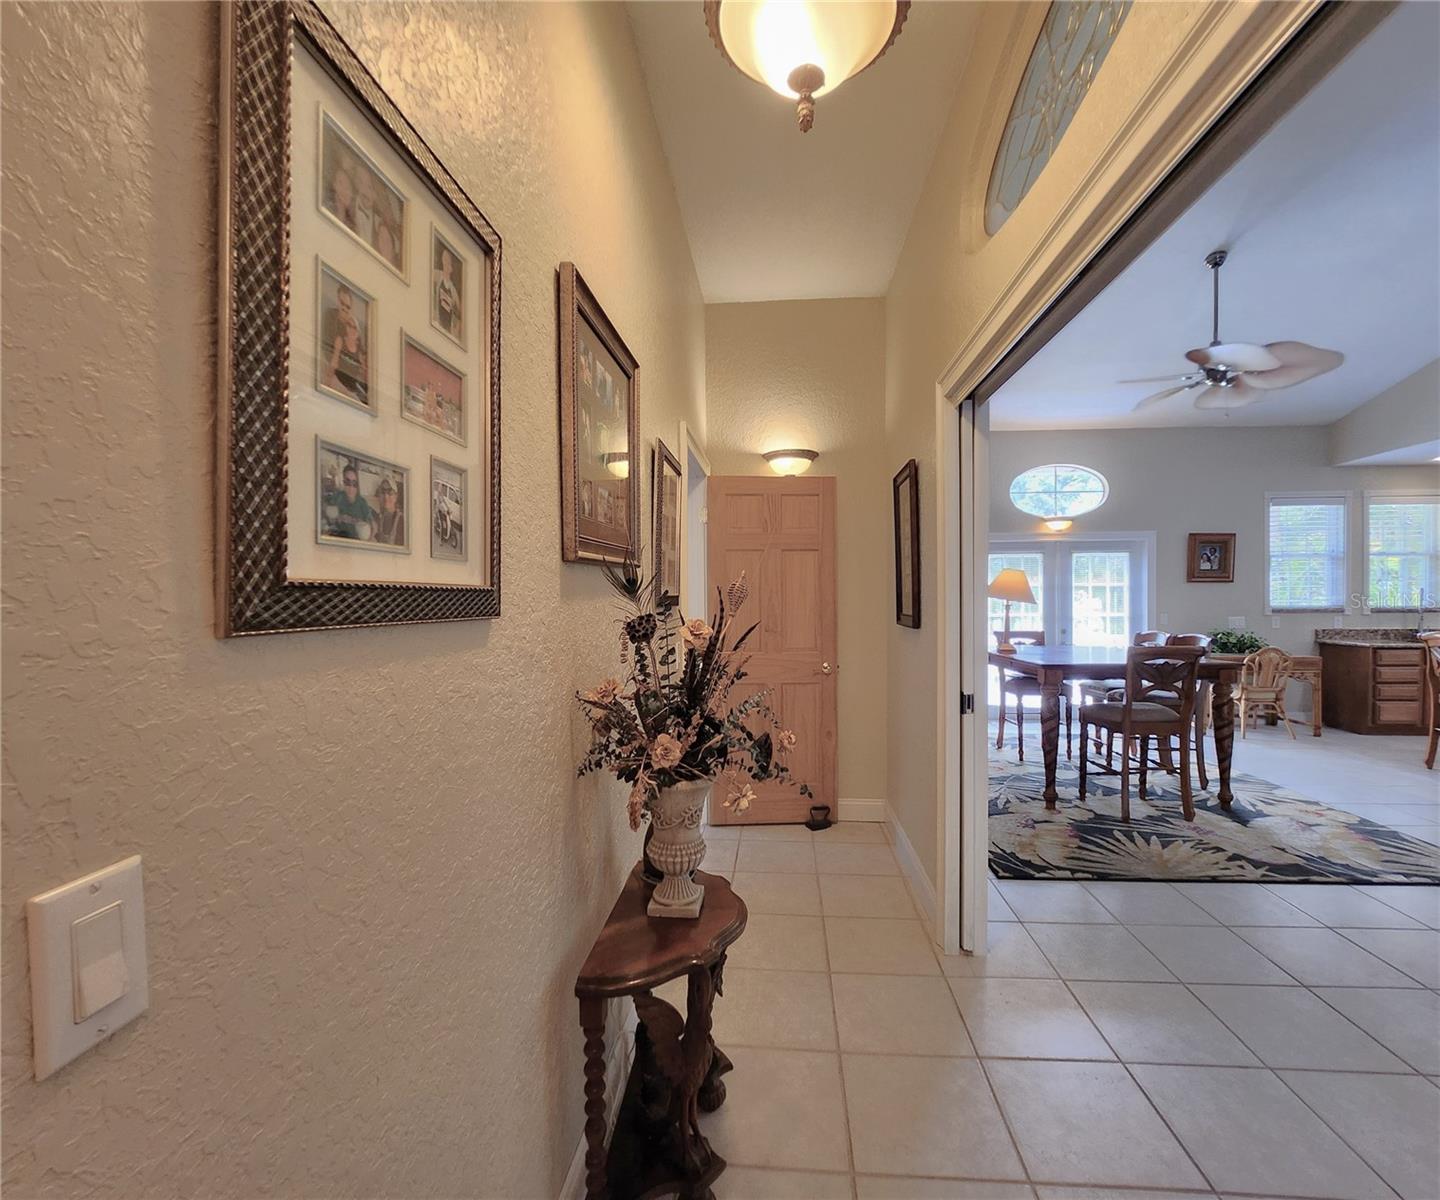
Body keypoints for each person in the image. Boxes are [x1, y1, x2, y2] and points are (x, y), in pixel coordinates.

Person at [322, 283, 367, 405]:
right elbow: (330, 360)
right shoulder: (330, 316)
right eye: (342, 303)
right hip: (333, 372)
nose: (344, 308)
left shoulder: (357, 340)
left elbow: (363, 367)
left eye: (348, 306)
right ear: (338, 300)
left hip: (351, 385)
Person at [327, 463, 376, 540]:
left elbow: (373, 527)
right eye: (347, 483)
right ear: (343, 482)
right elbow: (328, 518)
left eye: (354, 483)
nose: (351, 487)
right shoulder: (337, 497)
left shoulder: (362, 502)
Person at [434, 245, 461, 337]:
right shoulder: (437, 275)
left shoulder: (453, 291)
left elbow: (459, 316)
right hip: (437, 325)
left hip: (447, 330)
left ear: (452, 268)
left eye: (448, 262)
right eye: (444, 260)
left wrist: (455, 332)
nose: (446, 264)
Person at [372, 477, 404, 546]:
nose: (386, 496)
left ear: (396, 496)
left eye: (390, 493)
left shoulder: (402, 520)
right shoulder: (377, 519)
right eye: (383, 492)